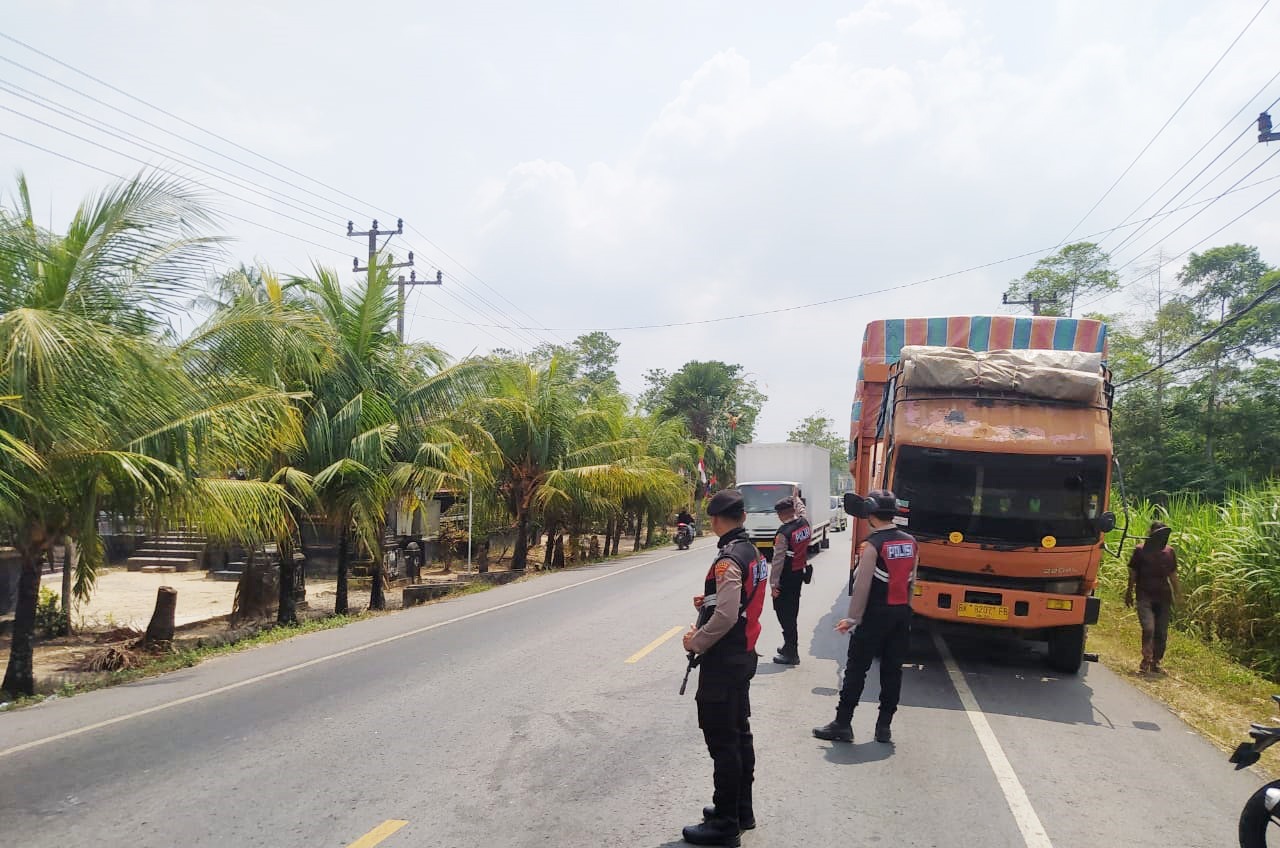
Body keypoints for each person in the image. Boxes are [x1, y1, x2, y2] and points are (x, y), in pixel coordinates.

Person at [681, 489, 768, 847]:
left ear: (716, 521)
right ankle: (741, 809)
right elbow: (739, 600)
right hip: (744, 654)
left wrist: (695, 641)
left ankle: (725, 822)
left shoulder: (727, 560)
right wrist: (712, 599)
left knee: (722, 740)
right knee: (739, 733)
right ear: (743, 517)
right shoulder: (753, 553)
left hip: (725, 660)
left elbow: (727, 616)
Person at [813, 489, 918, 745]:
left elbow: (862, 585)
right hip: (901, 614)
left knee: (856, 670)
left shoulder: (873, 545)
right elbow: (912, 582)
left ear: (871, 514)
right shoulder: (910, 542)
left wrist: (852, 618)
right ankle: (884, 727)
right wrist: (906, 609)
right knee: (892, 671)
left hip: (874, 616)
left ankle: (843, 723)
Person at [1125, 520, 1180, 674]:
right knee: (1148, 628)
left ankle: (1156, 661)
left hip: (1163, 597)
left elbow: (1173, 575)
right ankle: (1146, 658)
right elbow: (1133, 573)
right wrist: (1129, 592)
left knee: (1161, 632)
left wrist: (1178, 595)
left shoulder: (1169, 552)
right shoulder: (1140, 550)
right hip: (1144, 595)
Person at [769, 496, 812, 666]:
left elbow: (778, 560)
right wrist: (796, 497)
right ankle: (788, 645)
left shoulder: (783, 533)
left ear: (780, 515)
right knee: (792, 611)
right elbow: (802, 509)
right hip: (799, 574)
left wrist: (773, 585)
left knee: (785, 614)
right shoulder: (804, 523)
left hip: (786, 577)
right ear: (793, 511)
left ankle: (792, 652)